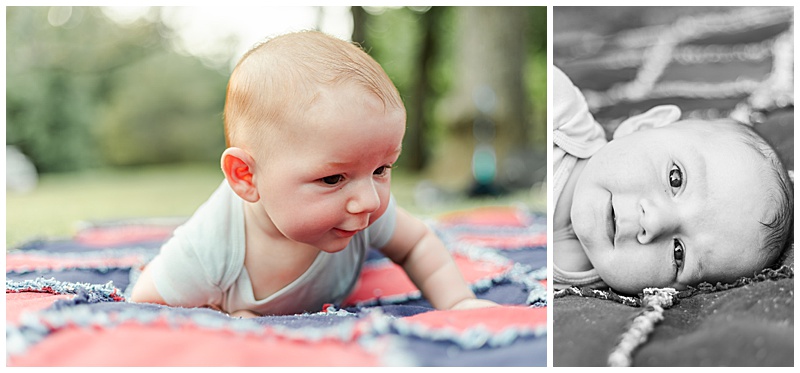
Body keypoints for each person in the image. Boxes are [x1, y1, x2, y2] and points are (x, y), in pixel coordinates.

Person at [130, 31, 497, 317]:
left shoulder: (363, 209)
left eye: (382, 169)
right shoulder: (208, 251)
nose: (369, 201)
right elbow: (143, 304)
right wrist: (218, 315)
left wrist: (458, 302)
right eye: (333, 179)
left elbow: (417, 244)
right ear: (245, 176)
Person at [552, 66, 793, 295]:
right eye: (675, 179)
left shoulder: (582, 295)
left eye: (678, 254)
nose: (654, 222)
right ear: (643, 126)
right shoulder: (559, 110)